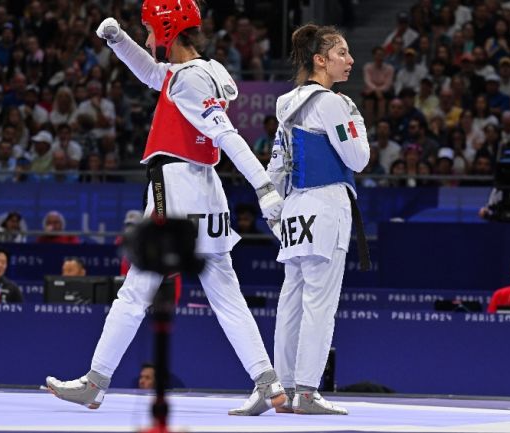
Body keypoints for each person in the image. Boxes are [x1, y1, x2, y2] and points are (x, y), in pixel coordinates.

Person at [45, 1, 286, 417]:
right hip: (206, 193)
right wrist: (119, 41)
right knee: (226, 295)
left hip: (178, 191)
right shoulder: (204, 72)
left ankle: (94, 383)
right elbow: (154, 74)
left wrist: (264, 186)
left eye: (151, 31)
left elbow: (227, 135)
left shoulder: (189, 81)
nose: (149, 40)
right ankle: (268, 382)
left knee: (135, 291)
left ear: (169, 30)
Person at [267, 23, 370, 415]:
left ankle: (286, 388)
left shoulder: (285, 102)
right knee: (319, 303)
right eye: (342, 53)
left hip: (294, 206)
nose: (350, 59)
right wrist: (356, 121)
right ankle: (307, 392)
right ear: (320, 60)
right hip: (326, 207)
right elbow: (358, 159)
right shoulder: (333, 104)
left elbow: (277, 165)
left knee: (291, 299)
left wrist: (274, 212)